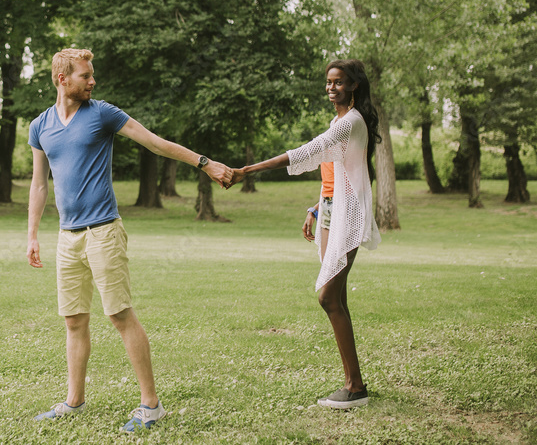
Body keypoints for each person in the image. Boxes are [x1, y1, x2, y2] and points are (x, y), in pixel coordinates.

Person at [27, 48, 229, 432]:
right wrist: (33, 234)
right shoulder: (40, 126)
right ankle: (74, 401)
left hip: (103, 230)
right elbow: (39, 185)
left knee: (119, 315)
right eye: (85, 75)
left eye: (92, 74)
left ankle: (151, 405)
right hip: (66, 237)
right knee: (73, 321)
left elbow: (155, 142)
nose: (92, 81)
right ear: (62, 79)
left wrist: (205, 163)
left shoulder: (102, 113)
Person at [226, 59, 381, 409]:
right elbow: (336, 171)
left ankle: (355, 387)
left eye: (338, 82)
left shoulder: (351, 122)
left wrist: (247, 170)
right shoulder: (339, 119)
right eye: (328, 82)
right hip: (329, 209)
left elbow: (307, 152)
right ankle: (353, 382)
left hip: (349, 214)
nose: (331, 88)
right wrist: (316, 207)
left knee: (328, 297)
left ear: (353, 85)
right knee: (335, 298)